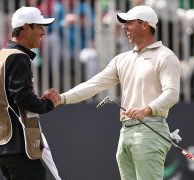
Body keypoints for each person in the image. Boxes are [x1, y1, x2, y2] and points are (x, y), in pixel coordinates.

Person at [51, 5, 181, 180]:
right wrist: (63, 98)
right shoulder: (122, 59)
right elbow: (93, 85)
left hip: (151, 131)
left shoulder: (165, 56)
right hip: (125, 132)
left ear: (144, 25)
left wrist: (146, 109)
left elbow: (172, 93)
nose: (124, 27)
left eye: (129, 22)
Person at [0, 6, 61, 180]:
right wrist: (49, 103)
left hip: (2, 145)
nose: (43, 32)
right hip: (18, 145)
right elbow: (22, 97)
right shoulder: (18, 57)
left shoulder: (0, 55)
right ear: (26, 27)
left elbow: (10, 96)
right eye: (39, 27)